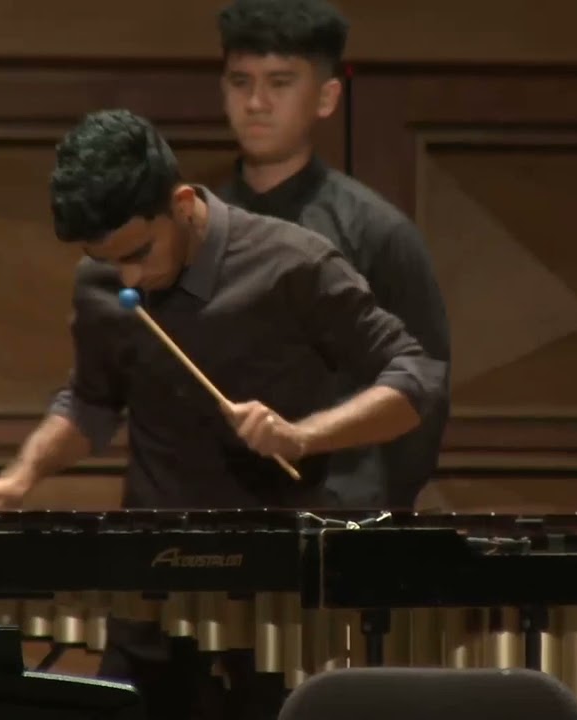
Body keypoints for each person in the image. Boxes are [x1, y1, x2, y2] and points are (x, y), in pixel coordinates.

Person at [0, 109, 446, 720]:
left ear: (183, 202)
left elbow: (414, 378)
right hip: (153, 582)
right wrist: (22, 476)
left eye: (139, 253)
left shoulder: (293, 265)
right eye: (110, 262)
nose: (128, 277)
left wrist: (302, 437)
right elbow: (92, 399)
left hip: (280, 596)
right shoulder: (102, 285)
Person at [214, 0, 452, 510]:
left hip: (343, 511)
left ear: (325, 98)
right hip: (221, 510)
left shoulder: (377, 231)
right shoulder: (197, 227)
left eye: (279, 83)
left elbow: (425, 388)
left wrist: (373, 503)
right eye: (240, 81)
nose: (256, 102)